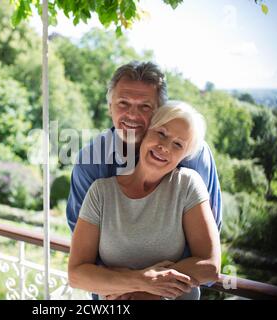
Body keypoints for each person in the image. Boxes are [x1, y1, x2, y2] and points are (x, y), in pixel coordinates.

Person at [65, 61, 222, 299]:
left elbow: (206, 245)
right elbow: (84, 243)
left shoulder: (194, 156)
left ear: (159, 110)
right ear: (110, 106)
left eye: (145, 107)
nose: (132, 115)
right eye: (123, 104)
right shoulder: (91, 162)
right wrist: (128, 284)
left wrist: (154, 289)